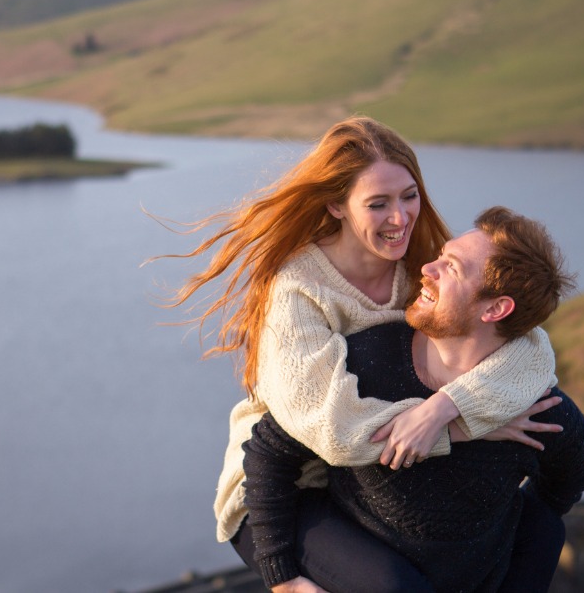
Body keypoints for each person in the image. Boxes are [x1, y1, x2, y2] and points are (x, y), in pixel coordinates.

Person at [162, 117, 558, 568]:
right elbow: (335, 430)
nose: (400, 217)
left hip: (362, 485)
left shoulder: (421, 268)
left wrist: (446, 406)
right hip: (284, 489)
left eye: (410, 196)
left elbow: (529, 349)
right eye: (378, 204)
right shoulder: (299, 290)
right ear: (336, 205)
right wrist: (465, 427)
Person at [239, 207, 584, 592]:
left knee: (545, 532)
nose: (428, 269)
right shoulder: (366, 361)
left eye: (452, 268)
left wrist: (511, 541)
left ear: (496, 309)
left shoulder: (532, 406)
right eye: (440, 256)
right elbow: (269, 452)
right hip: (370, 568)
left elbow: (569, 476)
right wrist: (283, 579)